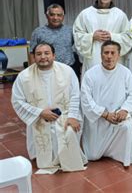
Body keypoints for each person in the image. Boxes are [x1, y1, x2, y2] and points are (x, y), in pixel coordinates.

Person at [11, 43, 87, 172]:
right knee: (43, 136)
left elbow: (75, 95)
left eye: (47, 53)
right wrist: (40, 112)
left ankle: (67, 159)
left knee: (68, 132)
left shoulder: (67, 71)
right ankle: (46, 159)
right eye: (39, 54)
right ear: (33, 57)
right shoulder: (24, 76)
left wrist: (73, 116)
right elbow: (17, 101)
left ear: (54, 55)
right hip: (39, 118)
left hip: (65, 115)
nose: (43, 57)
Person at [81, 41, 132, 167]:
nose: (109, 56)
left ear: (118, 55)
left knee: (128, 126)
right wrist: (105, 114)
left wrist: (124, 110)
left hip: (118, 117)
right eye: (106, 53)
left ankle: (120, 153)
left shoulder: (125, 72)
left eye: (113, 53)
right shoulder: (90, 74)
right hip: (99, 120)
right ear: (101, 55)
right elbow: (86, 100)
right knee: (93, 156)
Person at [73, 0, 132, 75]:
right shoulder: (85, 14)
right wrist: (92, 36)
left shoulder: (120, 15)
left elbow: (128, 38)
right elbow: (77, 35)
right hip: (93, 58)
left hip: (114, 58)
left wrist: (112, 37)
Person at [29, 4, 80, 77]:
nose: (55, 18)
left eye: (59, 15)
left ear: (63, 17)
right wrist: (33, 72)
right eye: (52, 15)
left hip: (69, 68)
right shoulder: (38, 32)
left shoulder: (70, 30)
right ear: (47, 16)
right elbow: (32, 53)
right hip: (47, 69)